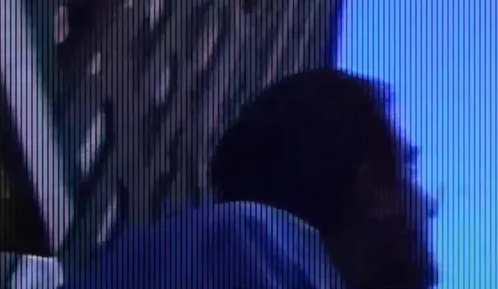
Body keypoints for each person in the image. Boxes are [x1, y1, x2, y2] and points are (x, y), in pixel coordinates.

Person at [64, 69, 436, 289]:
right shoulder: (247, 254)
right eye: (408, 168)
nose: (430, 204)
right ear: (374, 187)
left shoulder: (221, 250)